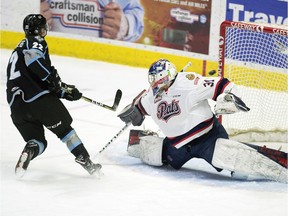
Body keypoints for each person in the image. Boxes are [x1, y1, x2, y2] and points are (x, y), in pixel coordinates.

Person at [118, 59, 287, 183]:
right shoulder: (151, 96)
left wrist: (228, 97)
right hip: (178, 146)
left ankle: (272, 160)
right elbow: (139, 106)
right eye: (152, 79)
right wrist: (134, 111)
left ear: (166, 76)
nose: (154, 83)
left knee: (240, 172)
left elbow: (222, 84)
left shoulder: (189, 83)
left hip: (208, 139)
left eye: (157, 78)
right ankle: (151, 140)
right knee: (155, 157)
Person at [6, 14, 101, 177]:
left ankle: (29, 151)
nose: (45, 31)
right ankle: (86, 162)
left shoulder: (18, 49)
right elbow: (35, 63)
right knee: (66, 132)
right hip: (39, 101)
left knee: (38, 142)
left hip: (17, 109)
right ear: (37, 30)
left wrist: (64, 91)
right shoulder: (34, 42)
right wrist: (56, 83)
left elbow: (37, 77)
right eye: (43, 28)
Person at [40, 0, 144, 42]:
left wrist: (125, 24)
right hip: (45, 61)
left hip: (99, 70)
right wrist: (29, 9)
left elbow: (136, 16)